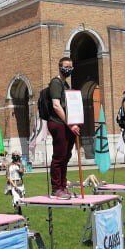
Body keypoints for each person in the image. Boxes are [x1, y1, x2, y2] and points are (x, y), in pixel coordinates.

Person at [47, 57, 79, 199]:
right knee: (59, 157)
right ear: (60, 67)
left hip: (68, 125)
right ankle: (56, 188)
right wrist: (70, 123)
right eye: (66, 66)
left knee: (66, 156)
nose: (69, 69)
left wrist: (75, 122)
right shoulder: (56, 83)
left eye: (71, 66)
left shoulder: (66, 85)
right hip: (58, 123)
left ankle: (63, 186)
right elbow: (56, 105)